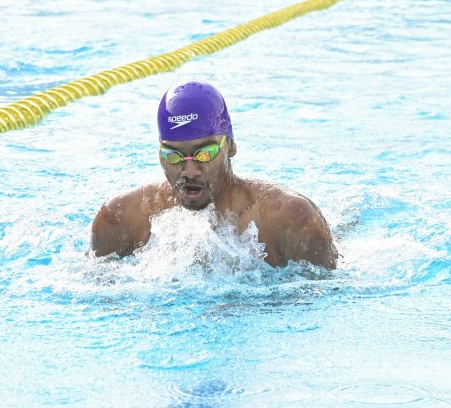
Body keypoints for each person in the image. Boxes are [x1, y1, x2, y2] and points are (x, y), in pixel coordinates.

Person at [90, 80, 338, 269]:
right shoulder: (121, 217)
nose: (189, 171)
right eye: (173, 156)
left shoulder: (289, 219)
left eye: (204, 153)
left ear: (230, 146)